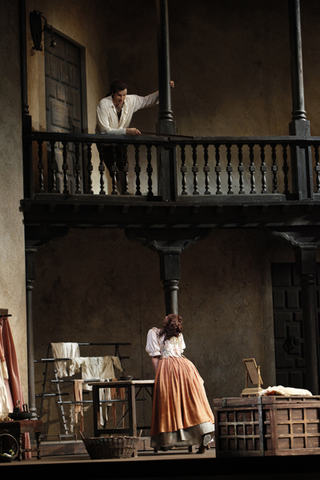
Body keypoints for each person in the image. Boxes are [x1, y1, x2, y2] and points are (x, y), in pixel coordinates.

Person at [145, 314, 215, 454]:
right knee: (193, 402)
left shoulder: (153, 333)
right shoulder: (179, 335)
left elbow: (154, 357)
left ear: (165, 324)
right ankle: (204, 433)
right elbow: (180, 351)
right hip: (187, 367)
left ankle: (168, 440)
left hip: (168, 367)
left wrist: (159, 376)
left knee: (171, 403)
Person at [95, 80, 174, 193]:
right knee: (112, 168)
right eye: (119, 95)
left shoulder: (129, 100)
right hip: (105, 142)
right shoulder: (103, 104)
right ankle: (116, 192)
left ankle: (124, 192)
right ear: (112, 93)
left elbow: (147, 100)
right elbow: (104, 131)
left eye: (124, 95)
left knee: (123, 166)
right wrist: (127, 131)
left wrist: (165, 90)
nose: (122, 98)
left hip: (119, 141)